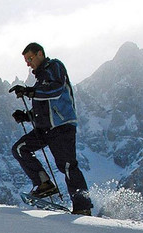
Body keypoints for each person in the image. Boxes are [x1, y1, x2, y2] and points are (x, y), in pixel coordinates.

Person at [9, 42, 93, 215]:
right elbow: (44, 108)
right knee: (20, 149)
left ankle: (82, 206)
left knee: (67, 165)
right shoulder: (40, 79)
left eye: (30, 58)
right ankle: (43, 183)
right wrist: (27, 116)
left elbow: (56, 89)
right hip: (45, 129)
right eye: (26, 61)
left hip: (62, 127)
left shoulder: (54, 66)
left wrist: (30, 92)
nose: (28, 63)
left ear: (40, 54)